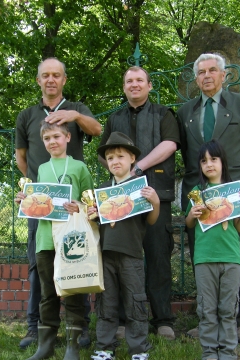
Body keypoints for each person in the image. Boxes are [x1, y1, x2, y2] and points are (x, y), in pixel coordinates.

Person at [16, 57, 102, 349]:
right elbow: (21, 158)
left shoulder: (76, 109)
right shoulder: (26, 115)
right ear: (38, 80)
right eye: (45, 76)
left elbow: (97, 131)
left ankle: (81, 329)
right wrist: (36, 192)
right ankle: (35, 328)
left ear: (64, 80)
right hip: (41, 209)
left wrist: (73, 116)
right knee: (38, 265)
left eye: (56, 75)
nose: (51, 80)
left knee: (76, 261)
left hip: (72, 211)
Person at [177, 53, 240, 344]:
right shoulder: (185, 111)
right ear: (195, 78)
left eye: (213, 70)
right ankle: (206, 321)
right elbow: (189, 156)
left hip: (234, 196)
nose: (207, 76)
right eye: (201, 72)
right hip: (201, 196)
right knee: (203, 258)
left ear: (224, 75)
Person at [98, 66, 180, 340]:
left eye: (139, 80)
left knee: (158, 257)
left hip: (156, 195)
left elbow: (170, 144)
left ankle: (163, 319)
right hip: (120, 203)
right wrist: (119, 177)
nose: (134, 85)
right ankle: (121, 319)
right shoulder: (114, 118)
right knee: (120, 259)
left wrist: (138, 168)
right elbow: (104, 154)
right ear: (124, 87)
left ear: (149, 85)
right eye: (129, 81)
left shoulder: (163, 114)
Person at [16, 121, 94, 360]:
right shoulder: (40, 170)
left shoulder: (80, 167)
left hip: (71, 240)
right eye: (47, 138)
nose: (52, 142)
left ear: (68, 137)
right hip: (45, 240)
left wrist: (78, 207)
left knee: (71, 291)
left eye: (57, 136)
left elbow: (91, 207)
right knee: (47, 294)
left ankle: (72, 346)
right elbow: (39, 202)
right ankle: (45, 346)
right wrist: (24, 200)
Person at [185, 140, 240, 360]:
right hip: (204, 259)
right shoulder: (198, 195)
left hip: (231, 258)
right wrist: (191, 215)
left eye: (213, 159)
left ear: (222, 162)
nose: (209, 164)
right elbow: (189, 224)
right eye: (204, 160)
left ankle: (227, 357)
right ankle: (209, 355)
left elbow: (238, 228)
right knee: (207, 309)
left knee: (228, 309)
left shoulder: (235, 193)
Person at [87, 132, 159, 360]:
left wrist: (155, 202)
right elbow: (98, 224)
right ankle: (104, 348)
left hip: (131, 255)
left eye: (120, 156)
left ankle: (139, 350)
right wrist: (93, 215)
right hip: (106, 254)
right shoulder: (103, 191)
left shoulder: (141, 188)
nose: (115, 161)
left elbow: (151, 219)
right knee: (106, 303)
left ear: (132, 159)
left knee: (135, 302)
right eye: (109, 158)